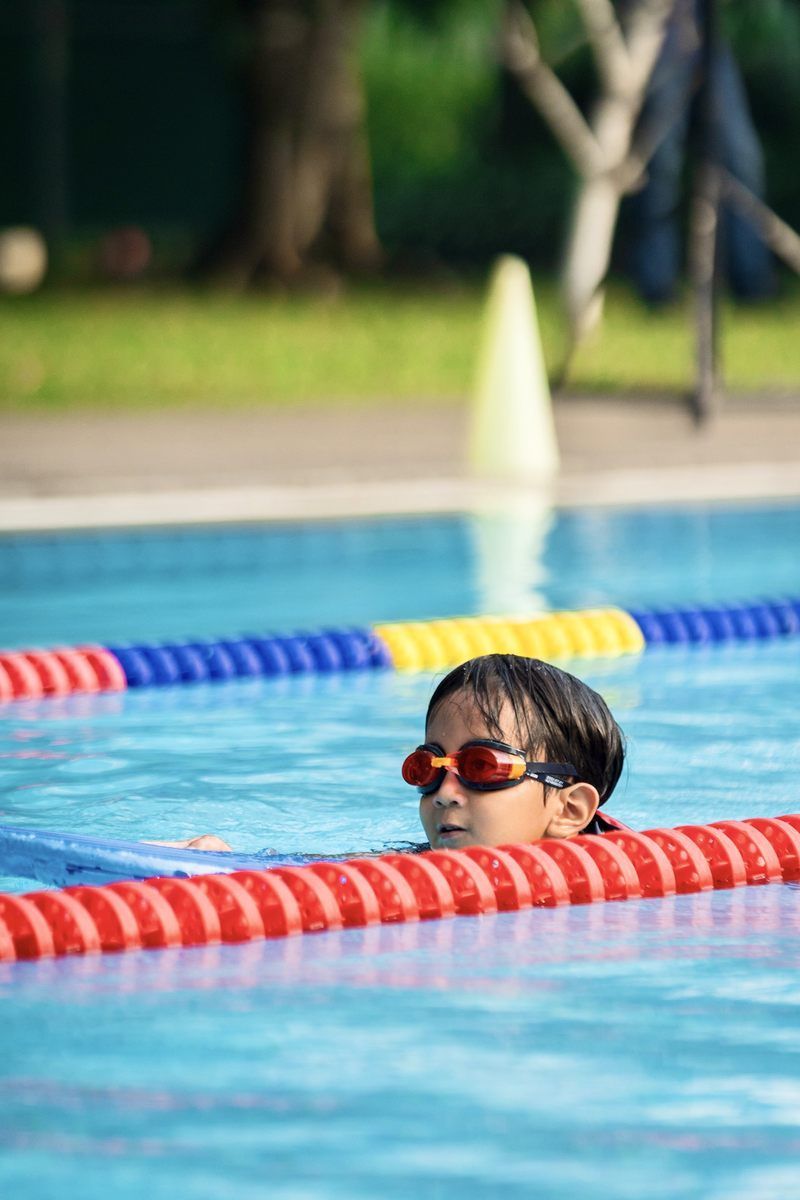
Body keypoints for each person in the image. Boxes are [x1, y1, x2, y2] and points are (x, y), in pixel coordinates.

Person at [163, 653, 626, 854]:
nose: (445, 793)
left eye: (481, 767)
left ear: (570, 810)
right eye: (428, 767)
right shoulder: (421, 867)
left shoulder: (630, 884)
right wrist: (225, 860)